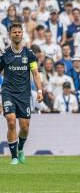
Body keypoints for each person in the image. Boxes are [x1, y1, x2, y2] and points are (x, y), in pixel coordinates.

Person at [0, 22, 43, 165]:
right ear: (10, 35)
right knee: (11, 122)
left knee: (24, 127)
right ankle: (13, 157)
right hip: (8, 93)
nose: (17, 34)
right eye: (14, 32)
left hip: (24, 95)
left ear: (22, 34)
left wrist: (39, 90)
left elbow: (35, 73)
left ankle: (20, 149)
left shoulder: (29, 54)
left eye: (19, 32)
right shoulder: (4, 54)